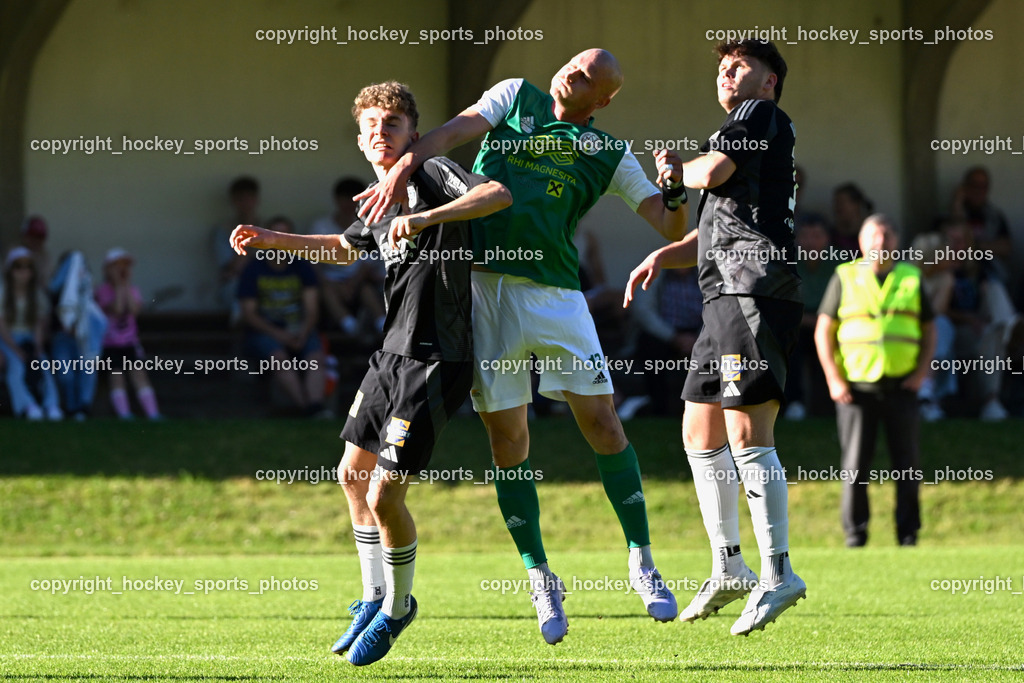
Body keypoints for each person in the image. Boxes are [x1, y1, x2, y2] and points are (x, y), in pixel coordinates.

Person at [356, 48, 687, 643]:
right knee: (508, 440)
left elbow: (669, 225)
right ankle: (540, 576)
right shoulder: (515, 95)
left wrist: (676, 188)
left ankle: (642, 560)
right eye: (573, 62)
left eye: (586, 75)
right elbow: (447, 135)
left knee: (604, 425)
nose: (570, 71)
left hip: (556, 297)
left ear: (604, 99)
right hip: (483, 292)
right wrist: (403, 168)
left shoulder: (609, 152)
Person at [230, 81, 511, 666]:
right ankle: (373, 595)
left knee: (385, 493)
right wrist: (272, 240)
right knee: (351, 476)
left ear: (413, 132)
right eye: (371, 126)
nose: (381, 132)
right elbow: (344, 247)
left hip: (438, 356)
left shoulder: (430, 172)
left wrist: (426, 217)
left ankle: (399, 607)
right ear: (360, 140)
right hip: (391, 355)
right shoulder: (378, 198)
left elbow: (496, 195)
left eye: (392, 123)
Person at [624, 39, 806, 636]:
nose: (727, 72)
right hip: (723, 294)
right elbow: (712, 230)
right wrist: (663, 254)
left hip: (753, 289)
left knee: (747, 432)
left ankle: (779, 574)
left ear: (769, 81)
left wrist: (679, 171)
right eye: (722, 68)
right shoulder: (742, 134)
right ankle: (729, 565)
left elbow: (711, 172)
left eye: (741, 65)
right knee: (699, 430)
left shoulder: (758, 115)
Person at [814, 215, 935, 547]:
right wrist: (833, 378)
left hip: (902, 386)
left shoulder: (911, 277)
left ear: (896, 241)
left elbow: (929, 329)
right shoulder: (845, 275)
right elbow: (824, 330)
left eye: (886, 236)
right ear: (861, 241)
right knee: (855, 466)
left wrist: (921, 373)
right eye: (873, 236)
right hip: (856, 389)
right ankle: (855, 535)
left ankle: (908, 535)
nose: (880, 242)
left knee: (907, 466)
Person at [236, 217, 329, 417]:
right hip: (264, 331)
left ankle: (316, 407)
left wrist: (302, 333)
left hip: (300, 328)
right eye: (274, 235)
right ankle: (307, 410)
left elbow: (312, 310)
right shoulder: (253, 268)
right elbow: (249, 315)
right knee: (279, 359)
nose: (278, 241)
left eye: (283, 235)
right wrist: (281, 335)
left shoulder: (302, 266)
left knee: (316, 358)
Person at [308, 177, 386, 337]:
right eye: (345, 199)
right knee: (327, 292)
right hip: (330, 282)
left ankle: (383, 326)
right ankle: (351, 328)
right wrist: (327, 282)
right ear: (337, 200)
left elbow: (368, 263)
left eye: (354, 200)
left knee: (367, 290)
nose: (349, 205)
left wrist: (353, 284)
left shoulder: (368, 227)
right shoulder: (321, 226)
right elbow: (313, 263)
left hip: (359, 281)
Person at [96, 249, 162, 420]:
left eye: (125, 265)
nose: (122, 269)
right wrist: (119, 286)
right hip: (110, 344)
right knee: (116, 377)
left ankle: (153, 413)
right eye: (117, 266)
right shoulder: (102, 291)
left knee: (139, 375)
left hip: (130, 342)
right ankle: (124, 414)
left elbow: (133, 310)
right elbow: (117, 309)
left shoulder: (133, 289)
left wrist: (125, 286)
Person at [783, 214, 837, 420]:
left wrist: (824, 323)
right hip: (798, 326)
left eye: (817, 236)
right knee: (788, 344)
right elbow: (784, 307)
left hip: (831, 326)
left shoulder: (839, 264)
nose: (810, 242)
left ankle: (829, 405)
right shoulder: (788, 263)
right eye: (805, 236)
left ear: (827, 239)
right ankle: (794, 403)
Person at [0, 247, 62, 420]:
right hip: (7, 339)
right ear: (10, 270)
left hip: (29, 337)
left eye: (27, 267)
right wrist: (16, 350)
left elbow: (38, 324)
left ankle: (51, 405)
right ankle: (27, 405)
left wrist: (37, 346)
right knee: (16, 367)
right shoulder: (2, 292)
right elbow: (2, 326)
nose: (23, 271)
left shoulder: (37, 294)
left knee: (43, 365)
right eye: (18, 267)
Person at [48, 251, 107, 420]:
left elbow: (99, 321)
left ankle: (84, 406)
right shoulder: (55, 292)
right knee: (65, 373)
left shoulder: (88, 294)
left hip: (84, 340)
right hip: (61, 339)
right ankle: (71, 406)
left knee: (88, 368)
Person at [832, 183, 873, 258]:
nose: (837, 207)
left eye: (842, 202)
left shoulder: (872, 234)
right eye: (836, 203)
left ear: (856, 205)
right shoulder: (832, 235)